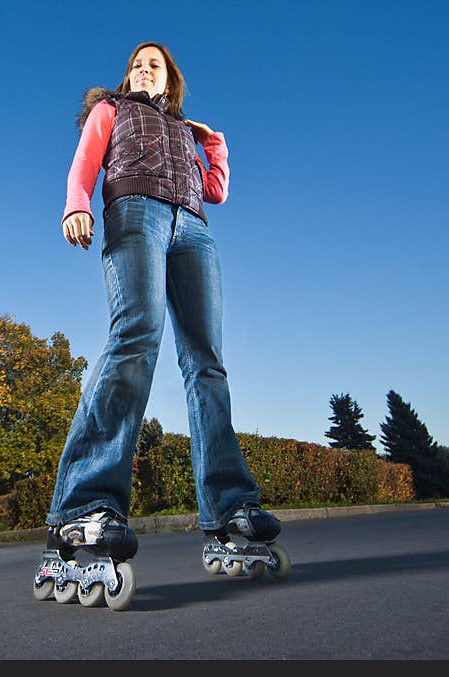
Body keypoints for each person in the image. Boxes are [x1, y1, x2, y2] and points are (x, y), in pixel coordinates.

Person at [41, 41, 283, 589]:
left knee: (207, 363)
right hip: (134, 214)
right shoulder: (113, 110)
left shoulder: (183, 131)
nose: (145, 69)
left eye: (155, 64)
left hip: (194, 229)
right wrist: (76, 205)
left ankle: (228, 509)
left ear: (169, 79)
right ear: (128, 77)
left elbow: (216, 191)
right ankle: (85, 504)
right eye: (137, 64)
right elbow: (84, 163)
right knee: (136, 337)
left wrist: (212, 141)